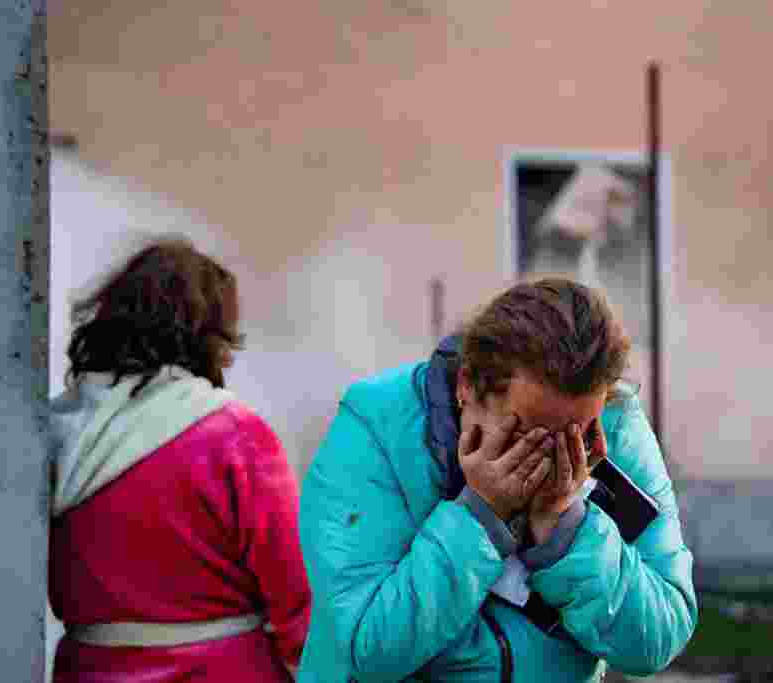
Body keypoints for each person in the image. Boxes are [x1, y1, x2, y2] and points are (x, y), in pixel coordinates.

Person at [297, 278, 696, 682]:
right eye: (529, 434)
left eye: (574, 434)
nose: (553, 458)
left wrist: (569, 532)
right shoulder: (377, 425)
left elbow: (658, 640)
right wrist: (480, 518)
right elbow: (366, 653)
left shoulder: (613, 423)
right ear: (468, 385)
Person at [48, 238, 310, 682]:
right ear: (210, 335)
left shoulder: (51, 431)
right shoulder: (234, 434)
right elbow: (294, 591)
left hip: (89, 670)